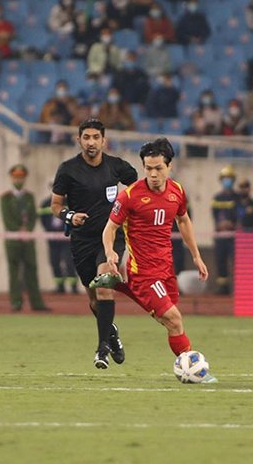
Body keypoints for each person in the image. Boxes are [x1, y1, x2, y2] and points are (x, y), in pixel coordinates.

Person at [90, 137, 217, 383]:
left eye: (158, 168)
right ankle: (194, 370)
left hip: (166, 269)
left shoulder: (177, 191)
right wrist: (110, 252)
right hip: (144, 271)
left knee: (168, 322)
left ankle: (121, 286)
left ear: (169, 166)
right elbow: (110, 228)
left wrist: (196, 255)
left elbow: (183, 220)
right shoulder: (130, 196)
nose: (153, 174)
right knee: (174, 319)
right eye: (148, 168)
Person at [50, 118, 138, 368]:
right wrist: (69, 216)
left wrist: (131, 210)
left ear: (103, 140)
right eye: (86, 137)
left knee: (104, 287)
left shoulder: (117, 166)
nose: (91, 142)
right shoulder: (67, 169)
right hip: (82, 241)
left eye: (95, 137)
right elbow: (55, 205)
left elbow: (136, 188)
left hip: (111, 238)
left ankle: (102, 349)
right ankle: (112, 333)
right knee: (94, 300)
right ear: (78, 140)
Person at [0, 164, 49, 312]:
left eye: (21, 177)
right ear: (11, 178)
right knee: (14, 272)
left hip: (28, 240)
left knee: (31, 271)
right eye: (16, 177)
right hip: (13, 241)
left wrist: (28, 230)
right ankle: (16, 302)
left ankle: (36, 302)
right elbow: (7, 219)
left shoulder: (29, 197)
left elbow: (33, 216)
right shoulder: (5, 198)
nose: (19, 180)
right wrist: (18, 230)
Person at [38, 184, 78, 294]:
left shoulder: (71, 202)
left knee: (69, 262)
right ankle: (60, 286)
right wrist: (49, 231)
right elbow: (43, 220)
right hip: (53, 240)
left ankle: (73, 286)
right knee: (54, 261)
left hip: (67, 239)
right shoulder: (46, 203)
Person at [211, 165, 239, 295]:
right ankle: (223, 287)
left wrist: (232, 224)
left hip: (234, 237)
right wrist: (221, 225)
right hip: (220, 236)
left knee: (236, 262)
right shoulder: (217, 198)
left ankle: (239, 286)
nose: (227, 181)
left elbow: (239, 215)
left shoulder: (237, 198)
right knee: (220, 261)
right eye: (225, 178)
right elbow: (215, 216)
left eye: (229, 178)